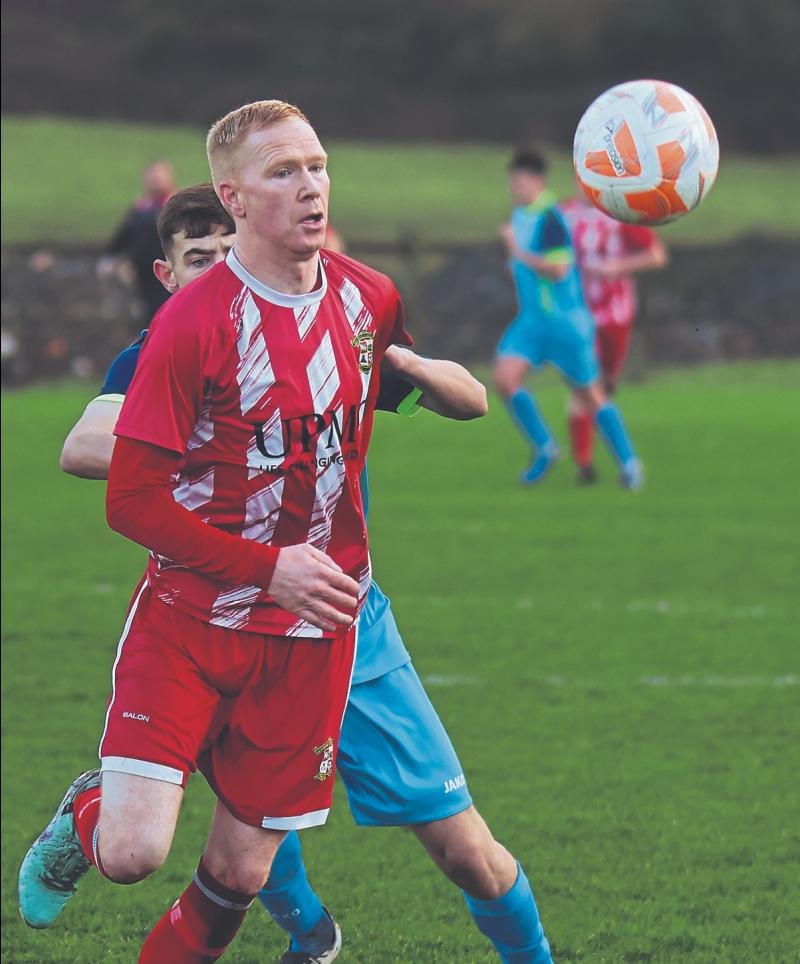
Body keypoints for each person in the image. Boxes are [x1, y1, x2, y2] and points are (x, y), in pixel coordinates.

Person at [58, 184, 555, 964]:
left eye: (231, 252)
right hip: (217, 615)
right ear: (167, 275)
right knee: (224, 847)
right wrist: (208, 441)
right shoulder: (162, 350)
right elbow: (83, 447)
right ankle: (312, 936)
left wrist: (407, 364)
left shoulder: (333, 334)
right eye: (200, 259)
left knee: (465, 849)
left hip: (344, 625)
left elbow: (472, 400)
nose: (222, 269)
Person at [19, 99, 415, 963]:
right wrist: (268, 567)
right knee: (131, 854)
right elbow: (130, 498)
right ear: (234, 200)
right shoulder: (191, 326)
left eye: (316, 166)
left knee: (238, 875)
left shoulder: (369, 299)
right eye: (284, 172)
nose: (310, 187)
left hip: (314, 635)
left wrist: (452, 387)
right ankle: (86, 815)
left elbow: (388, 379)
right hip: (191, 620)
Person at [494, 149, 643, 490]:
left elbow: (559, 269)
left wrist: (518, 254)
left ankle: (629, 462)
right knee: (504, 379)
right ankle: (545, 448)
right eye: (511, 180)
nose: (514, 186)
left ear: (537, 181)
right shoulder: (520, 214)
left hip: (565, 324)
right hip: (532, 321)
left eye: (520, 180)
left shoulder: (551, 217)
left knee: (590, 395)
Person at [560, 192, 667, 482]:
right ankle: (588, 463)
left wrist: (614, 268)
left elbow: (656, 255)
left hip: (615, 315)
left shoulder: (620, 214)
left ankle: (615, 463)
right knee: (583, 386)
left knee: (602, 388)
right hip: (577, 317)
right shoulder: (562, 214)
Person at [99, 159, 176, 321]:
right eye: (153, 177)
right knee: (150, 317)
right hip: (145, 275)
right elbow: (124, 235)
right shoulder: (141, 208)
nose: (156, 181)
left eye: (160, 177)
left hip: (172, 271)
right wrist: (110, 257)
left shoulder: (178, 205)